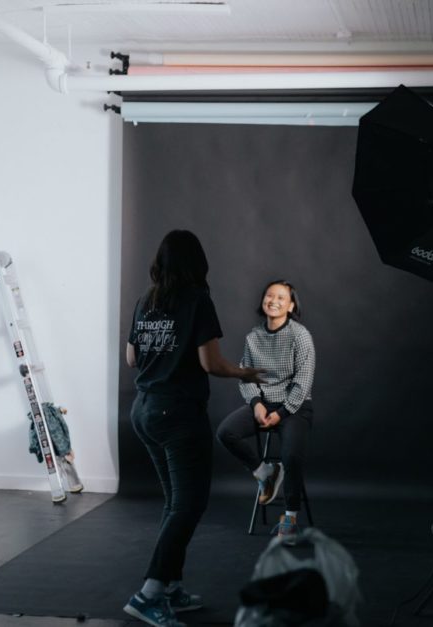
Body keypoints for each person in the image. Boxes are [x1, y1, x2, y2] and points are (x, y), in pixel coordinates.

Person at [124, 230, 263, 627]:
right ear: (197, 263)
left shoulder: (144, 302)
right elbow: (211, 364)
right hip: (178, 415)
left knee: (174, 503)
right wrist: (245, 371)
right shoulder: (197, 300)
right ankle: (149, 593)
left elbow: (132, 359)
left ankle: (170, 587)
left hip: (144, 411)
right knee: (188, 505)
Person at [216, 280, 315, 540]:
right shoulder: (253, 337)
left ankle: (290, 520)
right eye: (269, 295)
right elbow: (246, 376)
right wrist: (256, 403)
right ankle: (265, 473)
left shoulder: (300, 335)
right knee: (226, 432)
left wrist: (281, 412)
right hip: (263, 404)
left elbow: (303, 381)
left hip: (294, 408)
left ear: (291, 305)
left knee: (291, 456)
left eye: (281, 297)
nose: (273, 300)